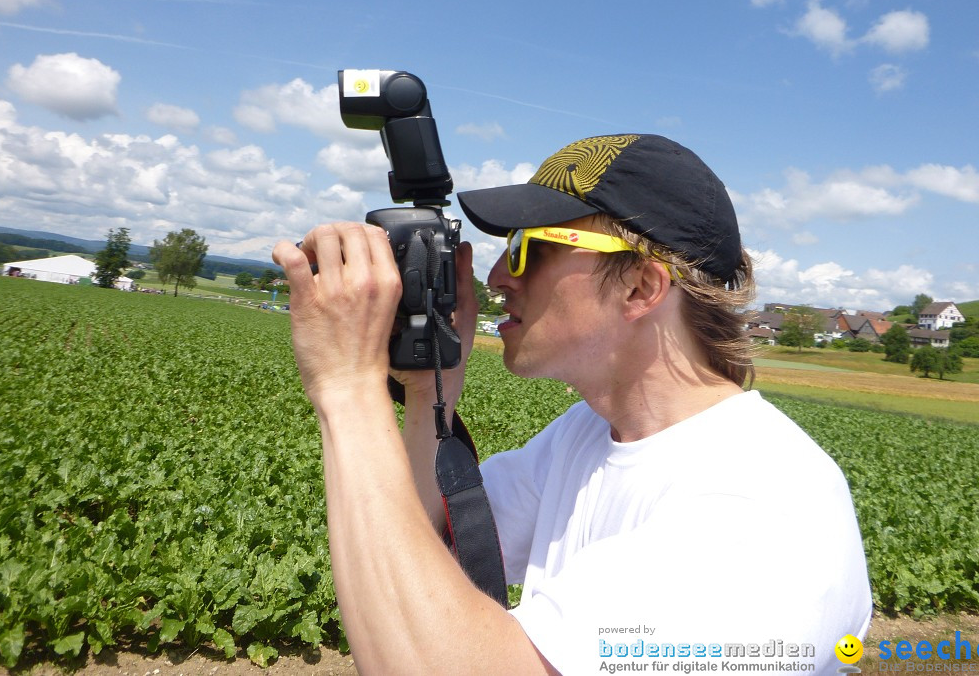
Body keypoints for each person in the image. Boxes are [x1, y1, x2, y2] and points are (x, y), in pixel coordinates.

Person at [273, 133, 872, 676]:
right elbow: (432, 544)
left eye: (529, 248)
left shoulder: (754, 514)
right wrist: (433, 386)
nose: (500, 277)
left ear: (640, 287)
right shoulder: (592, 433)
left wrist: (348, 388)